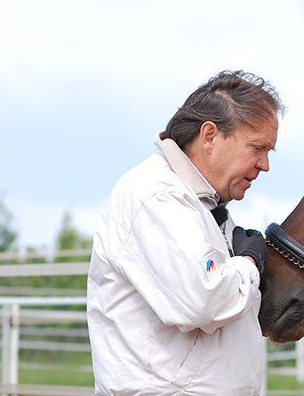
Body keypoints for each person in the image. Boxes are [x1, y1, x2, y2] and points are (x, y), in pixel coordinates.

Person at [87, 70, 281, 395]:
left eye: (269, 152)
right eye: (257, 148)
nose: (264, 165)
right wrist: (249, 262)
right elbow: (203, 301)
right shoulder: (156, 195)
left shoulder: (204, 206)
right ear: (209, 136)